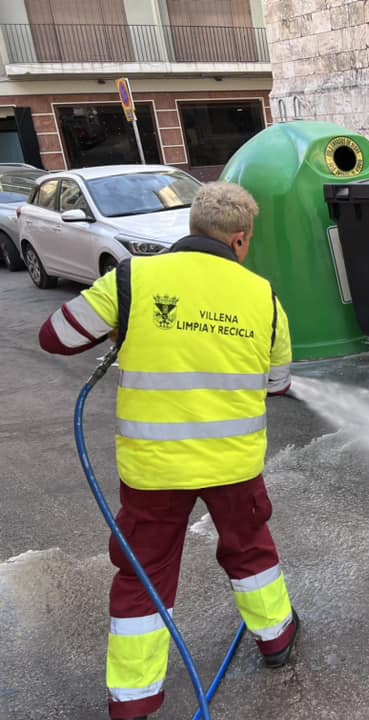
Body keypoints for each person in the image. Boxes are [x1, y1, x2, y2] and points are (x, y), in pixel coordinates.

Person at [39, 181, 300, 720]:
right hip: (233, 467)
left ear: (192, 228)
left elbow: (55, 337)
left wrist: (122, 327)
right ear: (241, 241)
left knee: (145, 572)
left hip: (153, 470)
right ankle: (276, 640)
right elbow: (276, 384)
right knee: (250, 549)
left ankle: (134, 700)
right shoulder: (263, 296)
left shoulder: (133, 277)